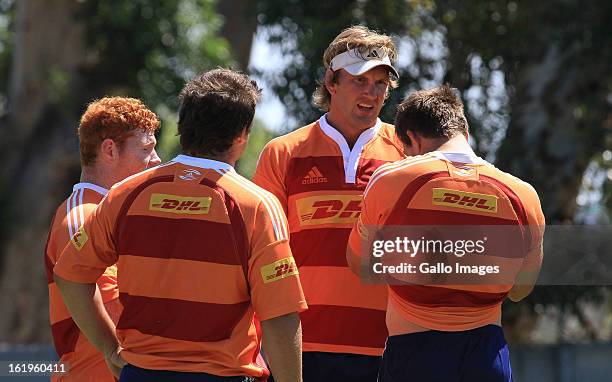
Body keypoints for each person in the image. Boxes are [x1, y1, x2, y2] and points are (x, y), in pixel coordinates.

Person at [54, 68, 307, 382]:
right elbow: (280, 316)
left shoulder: (124, 195)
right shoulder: (257, 206)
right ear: (242, 136)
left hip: (141, 374)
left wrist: (109, 348)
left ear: (182, 126)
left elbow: (69, 275)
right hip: (222, 375)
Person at [347, 85, 545, 382]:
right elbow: (520, 290)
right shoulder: (524, 194)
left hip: (414, 351)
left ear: (411, 139)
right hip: (487, 353)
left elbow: (359, 262)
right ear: (465, 134)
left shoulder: (390, 180)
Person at [254, 26, 406, 381]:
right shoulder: (284, 152)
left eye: (380, 83)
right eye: (359, 80)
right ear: (331, 81)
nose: (371, 92)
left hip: (388, 346)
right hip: (299, 346)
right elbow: (261, 252)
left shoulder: (408, 154)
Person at [44, 96, 161, 381]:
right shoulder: (83, 215)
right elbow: (117, 312)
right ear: (110, 149)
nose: (157, 159)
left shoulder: (115, 211)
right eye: (146, 149)